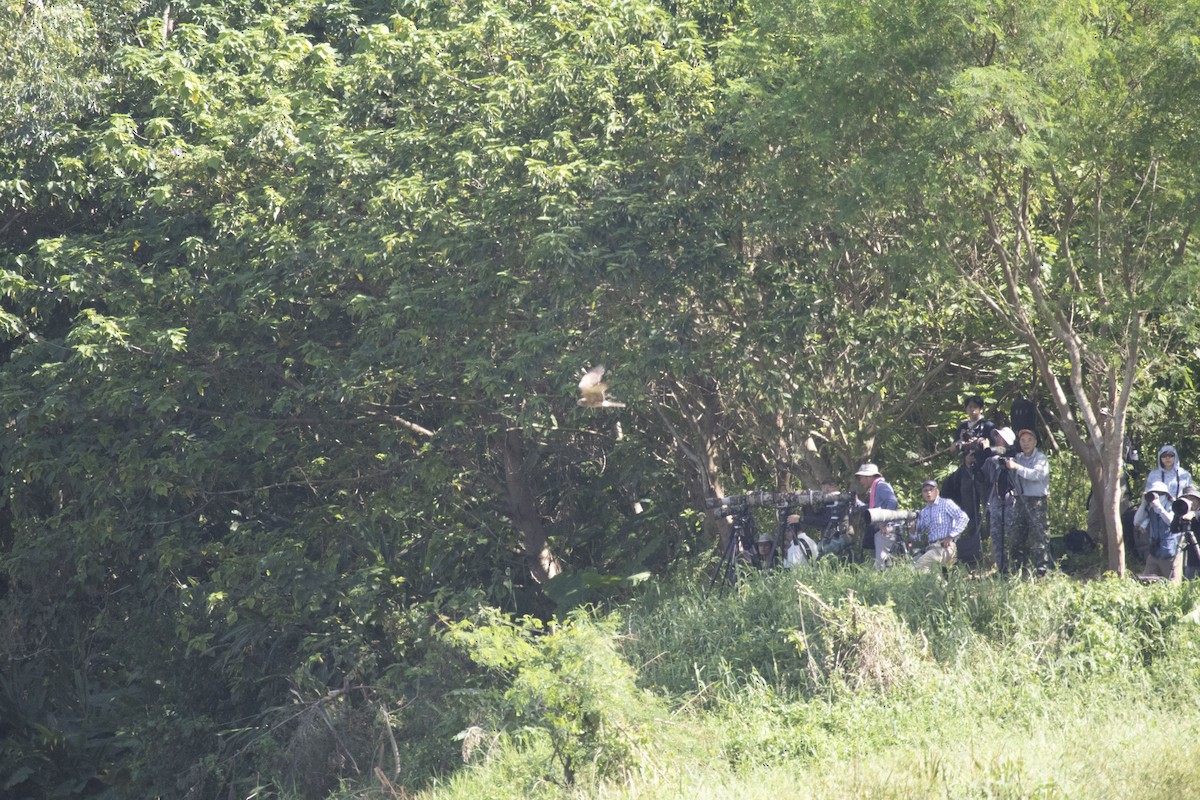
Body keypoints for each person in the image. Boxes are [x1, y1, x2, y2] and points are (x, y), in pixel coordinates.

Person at [948, 396, 994, 565]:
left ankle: (989, 540)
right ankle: (975, 543)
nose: (972, 410)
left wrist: (980, 444)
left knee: (987, 505)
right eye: (969, 407)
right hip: (967, 471)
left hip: (984, 471)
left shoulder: (988, 426)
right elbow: (954, 448)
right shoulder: (962, 427)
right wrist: (961, 443)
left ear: (981, 408)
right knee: (970, 508)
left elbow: (993, 447)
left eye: (975, 407)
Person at [1005, 428, 1050, 576]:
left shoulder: (1041, 458)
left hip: (1037, 501)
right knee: (1016, 537)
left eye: (1029, 440)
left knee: (1038, 537)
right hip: (1020, 500)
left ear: (1035, 442)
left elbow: (1037, 475)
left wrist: (1017, 467)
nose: (1026, 444)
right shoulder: (1018, 457)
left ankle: (1041, 572)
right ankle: (1020, 571)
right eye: (1022, 441)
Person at [980, 427, 1017, 574]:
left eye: (1001, 437)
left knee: (1013, 535)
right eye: (997, 437)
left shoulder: (1015, 457)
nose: (997, 439)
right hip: (995, 502)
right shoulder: (992, 460)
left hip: (1011, 500)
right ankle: (1002, 570)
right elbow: (982, 477)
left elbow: (1001, 452)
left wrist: (988, 449)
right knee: (996, 536)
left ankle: (1016, 567)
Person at [910, 479, 969, 572]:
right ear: (922, 494)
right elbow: (918, 536)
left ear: (937, 491)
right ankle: (942, 586)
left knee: (919, 565)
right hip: (931, 547)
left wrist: (951, 536)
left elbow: (963, 517)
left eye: (931, 489)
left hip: (945, 547)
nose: (928, 492)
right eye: (925, 490)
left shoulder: (946, 503)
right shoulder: (924, 511)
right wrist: (912, 527)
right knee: (926, 570)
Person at [855, 463, 900, 569]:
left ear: (868, 477)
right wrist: (857, 502)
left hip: (884, 530)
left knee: (881, 564)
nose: (860, 481)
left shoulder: (881, 486)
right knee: (881, 563)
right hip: (880, 530)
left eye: (861, 478)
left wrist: (885, 523)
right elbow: (873, 509)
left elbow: (892, 501)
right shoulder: (876, 488)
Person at [1136, 480, 1181, 583]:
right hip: (1154, 553)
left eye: (1159, 494)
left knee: (1172, 585)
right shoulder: (1150, 508)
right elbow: (1136, 522)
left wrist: (1159, 507)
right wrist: (1143, 504)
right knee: (1146, 582)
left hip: (1169, 554)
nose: (1156, 496)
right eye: (1153, 493)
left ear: (1165, 495)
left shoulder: (1173, 506)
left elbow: (1170, 522)